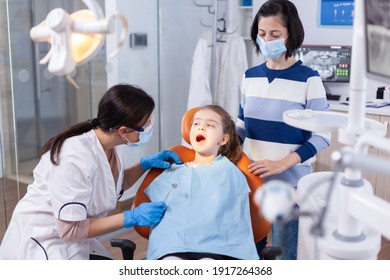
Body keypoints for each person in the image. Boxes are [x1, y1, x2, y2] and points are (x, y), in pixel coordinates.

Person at [0, 83, 182, 260]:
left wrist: (143, 166)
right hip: (44, 240)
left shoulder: (111, 144)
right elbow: (70, 230)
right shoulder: (74, 159)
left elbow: (113, 185)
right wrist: (131, 217)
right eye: (146, 125)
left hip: (76, 237)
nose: (150, 128)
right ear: (123, 130)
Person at [236, 0, 331, 260]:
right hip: (252, 184)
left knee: (284, 258)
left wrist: (282, 164)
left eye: (275, 34)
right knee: (249, 255)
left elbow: (323, 135)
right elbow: (242, 125)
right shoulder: (249, 76)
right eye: (262, 33)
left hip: (290, 188)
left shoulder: (308, 79)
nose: (267, 40)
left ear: (291, 35)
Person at [144, 105, 259, 260]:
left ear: (223, 139)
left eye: (210, 125)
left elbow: (232, 217)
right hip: (172, 246)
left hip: (220, 247)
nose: (201, 128)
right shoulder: (173, 171)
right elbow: (154, 211)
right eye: (196, 123)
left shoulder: (230, 171)